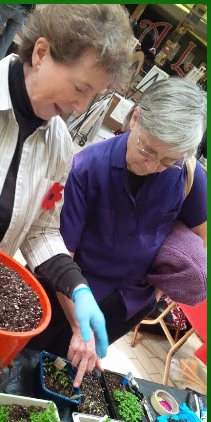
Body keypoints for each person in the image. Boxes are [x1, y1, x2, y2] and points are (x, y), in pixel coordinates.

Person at [0, 4, 135, 387]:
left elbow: (42, 230)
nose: (80, 107)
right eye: (80, 88)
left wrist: (76, 286)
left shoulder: (59, 146)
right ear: (41, 53)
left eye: (93, 96)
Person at [29, 77, 207, 367]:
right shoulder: (87, 167)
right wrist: (79, 327)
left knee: (71, 369)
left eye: (167, 160)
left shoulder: (187, 175)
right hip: (72, 292)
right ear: (136, 117)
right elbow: (62, 253)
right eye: (148, 151)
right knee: (34, 357)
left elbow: (201, 236)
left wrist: (166, 282)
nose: (153, 167)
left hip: (128, 301)